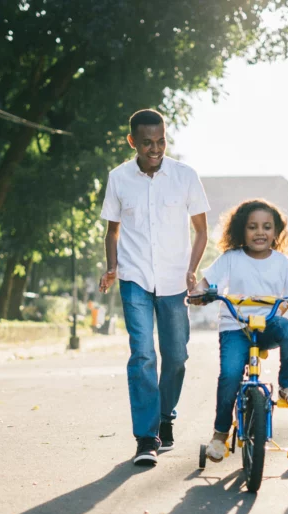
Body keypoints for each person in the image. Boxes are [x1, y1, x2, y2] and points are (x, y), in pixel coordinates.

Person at [99, 109, 210, 466]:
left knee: (176, 356)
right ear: (133, 142)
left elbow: (201, 230)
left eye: (161, 141)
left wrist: (192, 270)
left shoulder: (185, 176)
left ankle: (166, 418)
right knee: (143, 354)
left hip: (175, 280)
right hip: (134, 278)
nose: (155, 148)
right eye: (147, 142)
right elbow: (112, 231)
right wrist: (112, 268)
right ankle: (146, 437)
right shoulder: (118, 178)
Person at [189, 199, 288, 462]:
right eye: (252, 227)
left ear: (276, 233)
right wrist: (199, 292)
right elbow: (207, 282)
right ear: (242, 230)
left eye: (267, 227)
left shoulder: (282, 262)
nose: (260, 232)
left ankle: (287, 386)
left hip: (268, 325)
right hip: (235, 327)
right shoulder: (231, 259)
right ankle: (220, 435)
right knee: (230, 375)